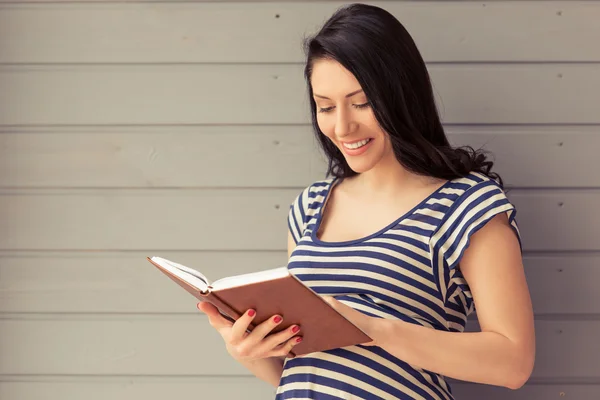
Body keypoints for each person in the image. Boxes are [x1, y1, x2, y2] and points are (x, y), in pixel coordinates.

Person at [197, 3, 536, 399]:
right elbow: (299, 370)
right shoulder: (310, 207)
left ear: (400, 96)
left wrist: (370, 327)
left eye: (360, 103)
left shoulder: (466, 205)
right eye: (325, 107)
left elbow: (513, 362)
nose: (342, 127)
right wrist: (247, 349)